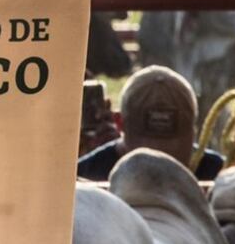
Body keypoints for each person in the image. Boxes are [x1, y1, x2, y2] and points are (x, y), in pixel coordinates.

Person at [77, 65, 225, 182]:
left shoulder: (221, 175)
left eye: (173, 160)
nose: (159, 168)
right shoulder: (82, 177)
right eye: (146, 157)